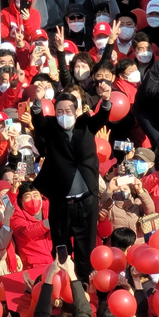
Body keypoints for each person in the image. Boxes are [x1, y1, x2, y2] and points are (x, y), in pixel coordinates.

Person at [31, 83, 112, 279]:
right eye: (59, 111)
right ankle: (63, 285)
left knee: (86, 247)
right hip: (60, 201)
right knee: (61, 248)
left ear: (76, 111)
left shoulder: (86, 125)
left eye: (68, 110)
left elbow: (102, 116)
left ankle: (84, 284)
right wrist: (37, 100)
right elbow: (38, 120)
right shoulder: (50, 127)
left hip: (86, 198)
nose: (63, 114)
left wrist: (106, 99)